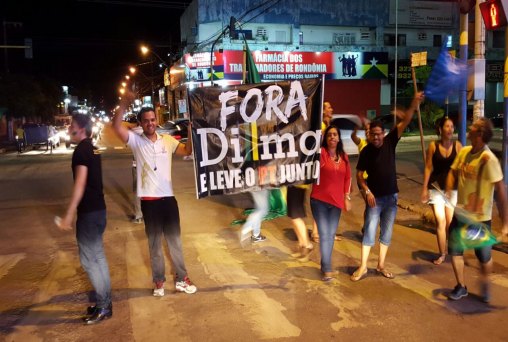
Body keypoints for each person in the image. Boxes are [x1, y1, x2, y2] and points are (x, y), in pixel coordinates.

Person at [113, 105, 197, 297]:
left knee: (175, 242)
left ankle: (181, 279)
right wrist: (124, 102)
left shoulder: (167, 140)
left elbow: (186, 151)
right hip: (149, 201)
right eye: (146, 120)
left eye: (152, 119)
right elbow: (116, 126)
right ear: (141, 123)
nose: (150, 123)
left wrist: (191, 131)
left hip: (168, 199)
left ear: (156, 120)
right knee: (155, 244)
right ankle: (159, 282)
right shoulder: (135, 141)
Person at [351, 92, 424, 282]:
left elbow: (406, 121)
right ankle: (363, 267)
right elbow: (359, 175)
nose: (376, 138)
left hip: (391, 198)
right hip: (374, 200)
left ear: (383, 134)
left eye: (379, 134)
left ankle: (381, 265)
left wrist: (414, 103)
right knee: (369, 232)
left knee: (387, 233)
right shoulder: (366, 151)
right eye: (373, 135)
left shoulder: (391, 141)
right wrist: (366, 191)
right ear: (371, 135)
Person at [55, 114, 112, 324]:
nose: (69, 128)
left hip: (88, 214)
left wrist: (69, 214)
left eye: (72, 125)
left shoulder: (81, 151)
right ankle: (105, 303)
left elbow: (80, 184)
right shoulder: (94, 148)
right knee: (99, 258)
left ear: (81, 129)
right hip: (100, 211)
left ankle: (104, 306)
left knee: (90, 261)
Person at [445, 118, 508, 302]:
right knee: (455, 250)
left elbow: (502, 194)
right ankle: (461, 286)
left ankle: (485, 282)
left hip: (479, 219)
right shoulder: (464, 152)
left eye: (472, 127)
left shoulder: (489, 160)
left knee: (483, 257)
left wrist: (505, 223)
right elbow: (452, 172)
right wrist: (449, 188)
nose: (469, 128)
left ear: (479, 134)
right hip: (460, 213)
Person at [310, 125, 352, 281]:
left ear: (339, 138)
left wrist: (347, 196)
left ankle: (324, 266)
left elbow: (348, 178)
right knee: (325, 234)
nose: (332, 137)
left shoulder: (344, 157)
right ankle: (327, 269)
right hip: (319, 201)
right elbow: (308, 155)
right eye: (329, 135)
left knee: (330, 234)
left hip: (336, 203)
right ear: (325, 138)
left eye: (335, 134)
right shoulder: (320, 154)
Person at [421, 117, 462, 265]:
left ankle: (454, 251)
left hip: (452, 189)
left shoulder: (458, 146)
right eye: (447, 126)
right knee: (440, 220)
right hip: (436, 187)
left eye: (452, 126)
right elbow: (427, 168)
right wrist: (424, 187)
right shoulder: (433, 146)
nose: (450, 129)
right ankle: (442, 254)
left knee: (450, 222)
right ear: (440, 129)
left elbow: (462, 168)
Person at [311, 101, 338, 243]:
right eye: (328, 107)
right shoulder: (320, 126)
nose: (331, 109)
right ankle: (316, 232)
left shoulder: (327, 125)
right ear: (322, 111)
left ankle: (324, 231)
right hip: (322, 167)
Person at [287, 185, 313, 261]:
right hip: (292, 184)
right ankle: (302, 245)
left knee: (296, 217)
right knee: (293, 216)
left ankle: (307, 245)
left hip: (299, 184)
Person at [130, 124, 143, 224]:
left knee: (137, 191)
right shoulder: (149, 132)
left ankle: (139, 216)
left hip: (136, 165)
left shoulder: (133, 133)